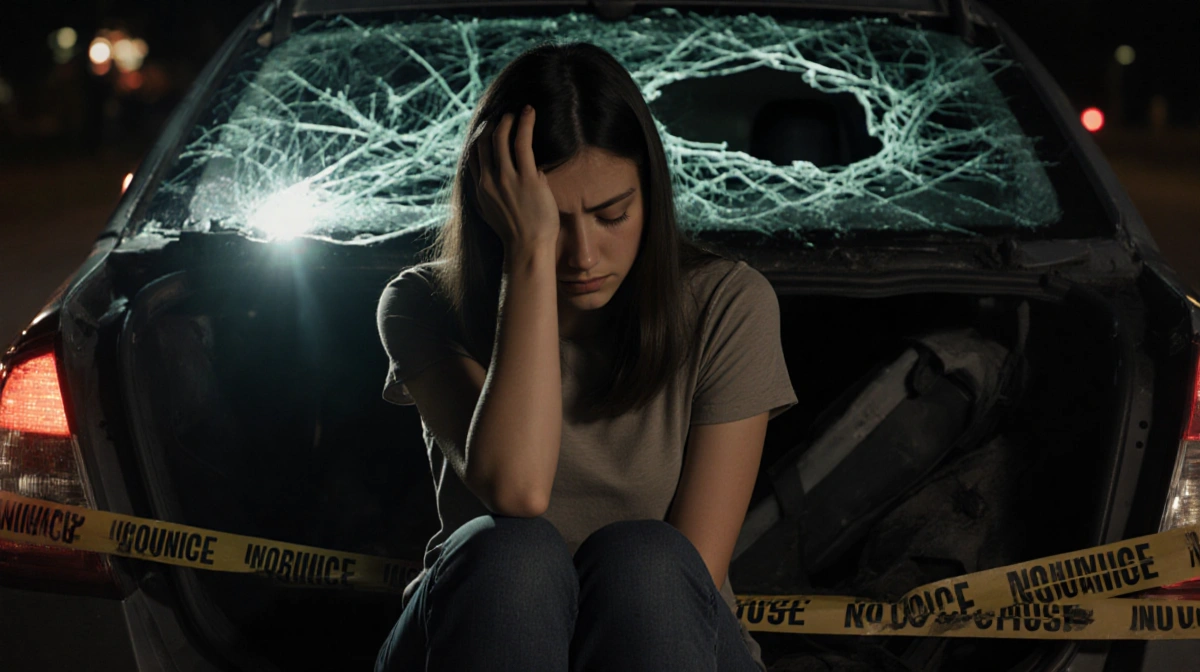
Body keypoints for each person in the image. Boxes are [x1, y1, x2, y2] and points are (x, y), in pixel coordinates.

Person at [374, 41, 797, 672]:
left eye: (611, 215)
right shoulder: (422, 303)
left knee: (649, 563)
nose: (582, 256)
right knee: (511, 554)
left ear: (650, 200)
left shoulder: (727, 303)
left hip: (668, 630)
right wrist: (527, 255)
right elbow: (516, 489)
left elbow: (689, 583)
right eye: (549, 220)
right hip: (480, 627)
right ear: (497, 208)